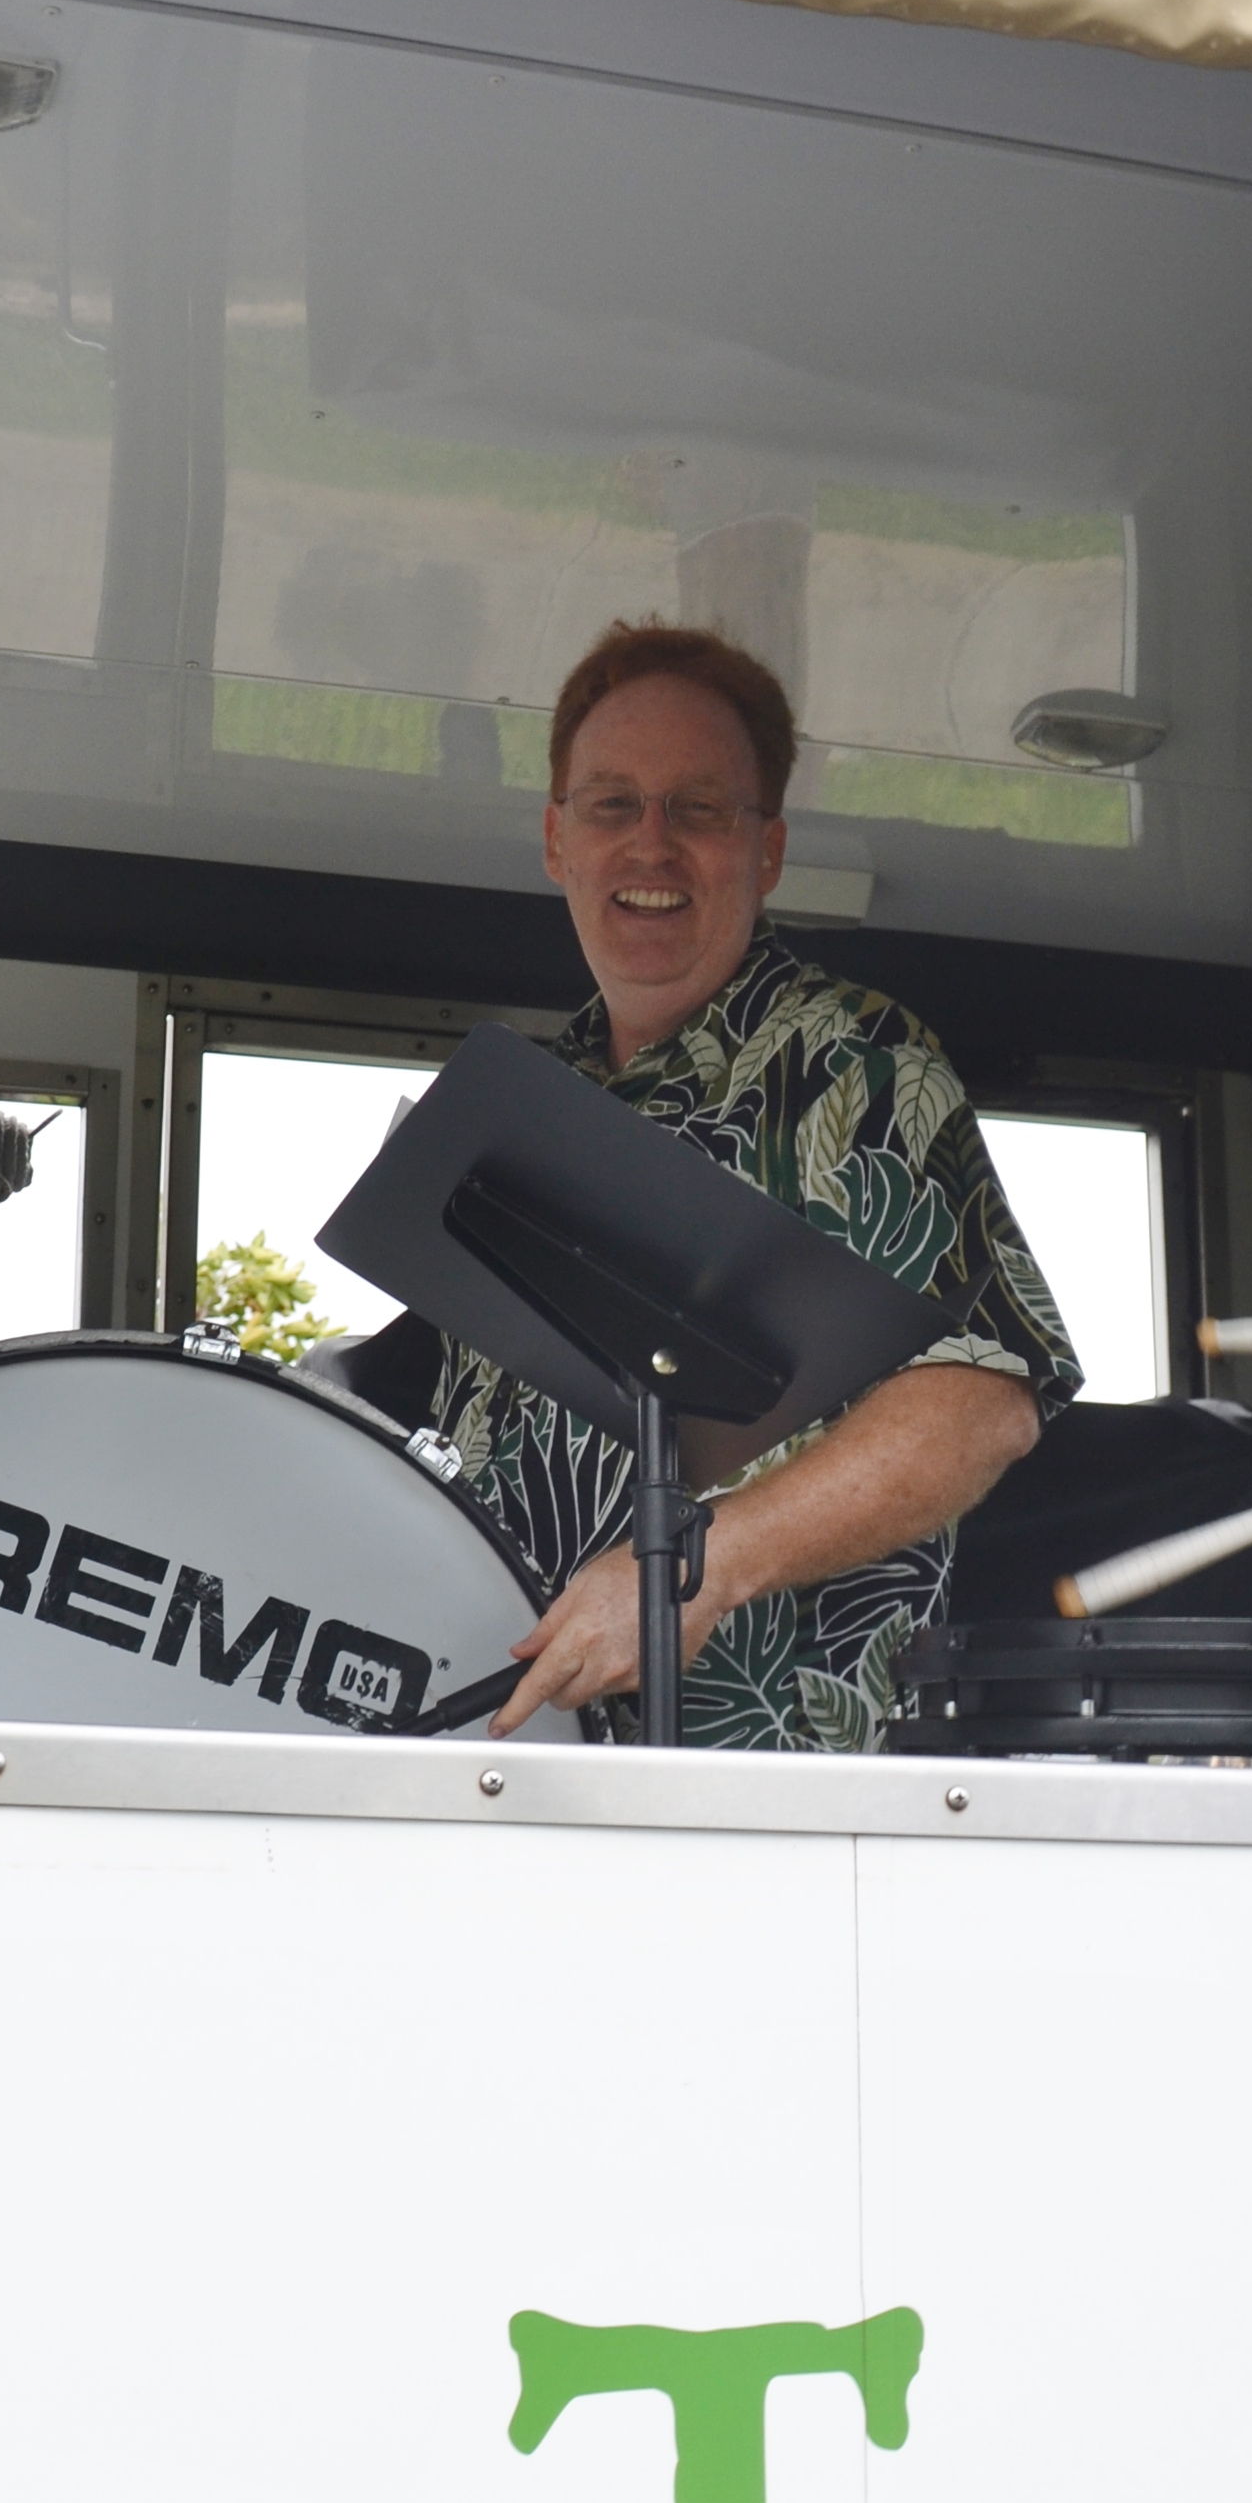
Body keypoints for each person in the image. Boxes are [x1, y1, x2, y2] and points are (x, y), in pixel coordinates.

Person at [437, 620, 1078, 1747]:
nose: (651, 846)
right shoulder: (523, 1103)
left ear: (767, 850)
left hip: (769, 1783)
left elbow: (983, 1402)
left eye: (698, 809)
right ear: (555, 840)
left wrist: (696, 1570)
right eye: (612, 805)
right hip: (511, 1757)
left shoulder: (859, 1064)